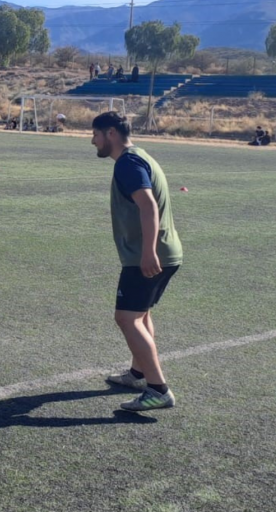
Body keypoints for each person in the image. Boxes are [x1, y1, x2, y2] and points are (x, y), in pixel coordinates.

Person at [91, 112, 182, 412]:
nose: (93, 141)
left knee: (126, 318)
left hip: (148, 254)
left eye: (96, 134)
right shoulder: (141, 156)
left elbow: (147, 204)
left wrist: (148, 251)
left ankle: (158, 389)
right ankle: (138, 373)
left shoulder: (128, 164)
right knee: (140, 315)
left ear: (111, 134)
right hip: (164, 252)